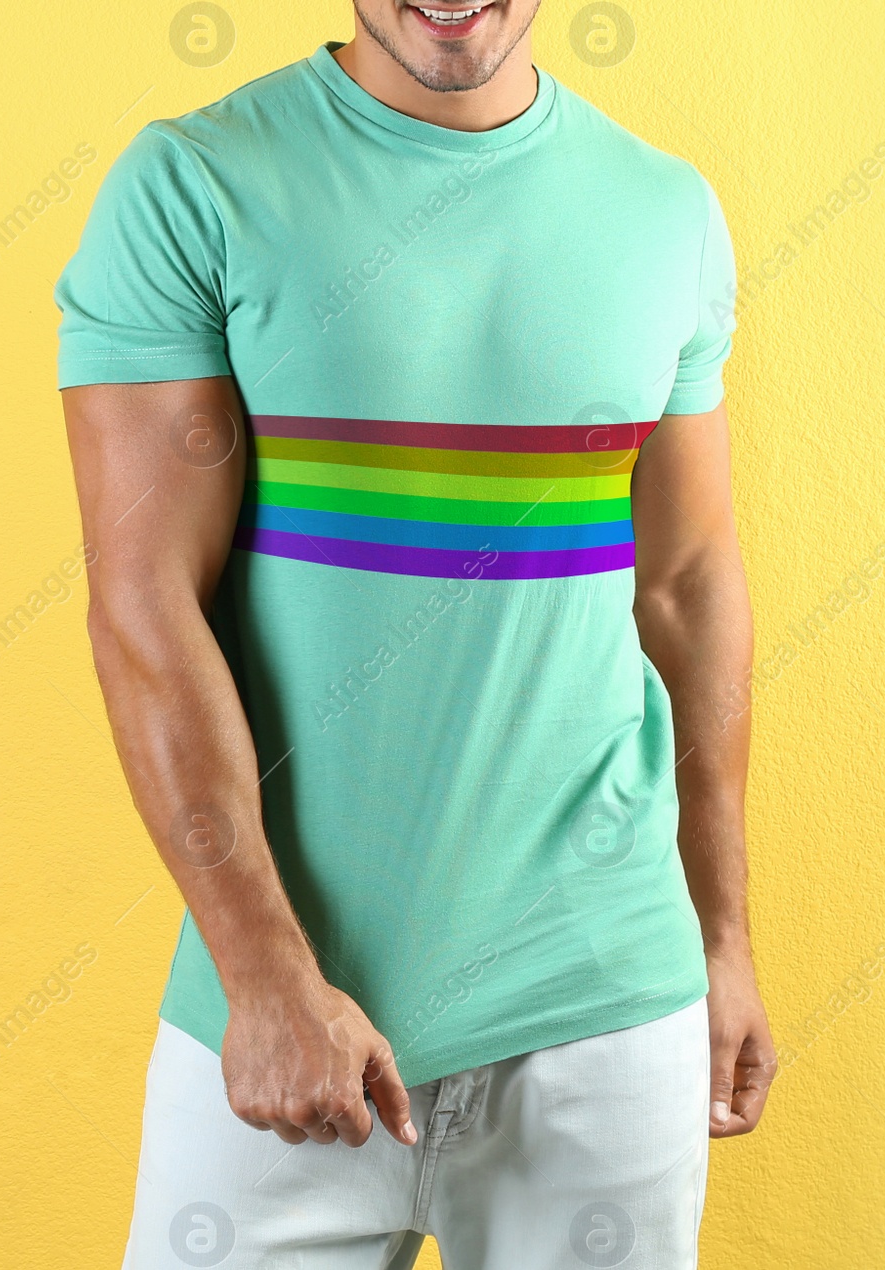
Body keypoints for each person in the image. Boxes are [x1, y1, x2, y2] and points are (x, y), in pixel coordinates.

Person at [55, 2, 775, 1265]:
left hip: (601, 1010)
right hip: (282, 1013)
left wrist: (721, 942)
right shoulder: (196, 184)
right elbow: (144, 607)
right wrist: (265, 977)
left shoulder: (666, 212)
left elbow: (688, 586)